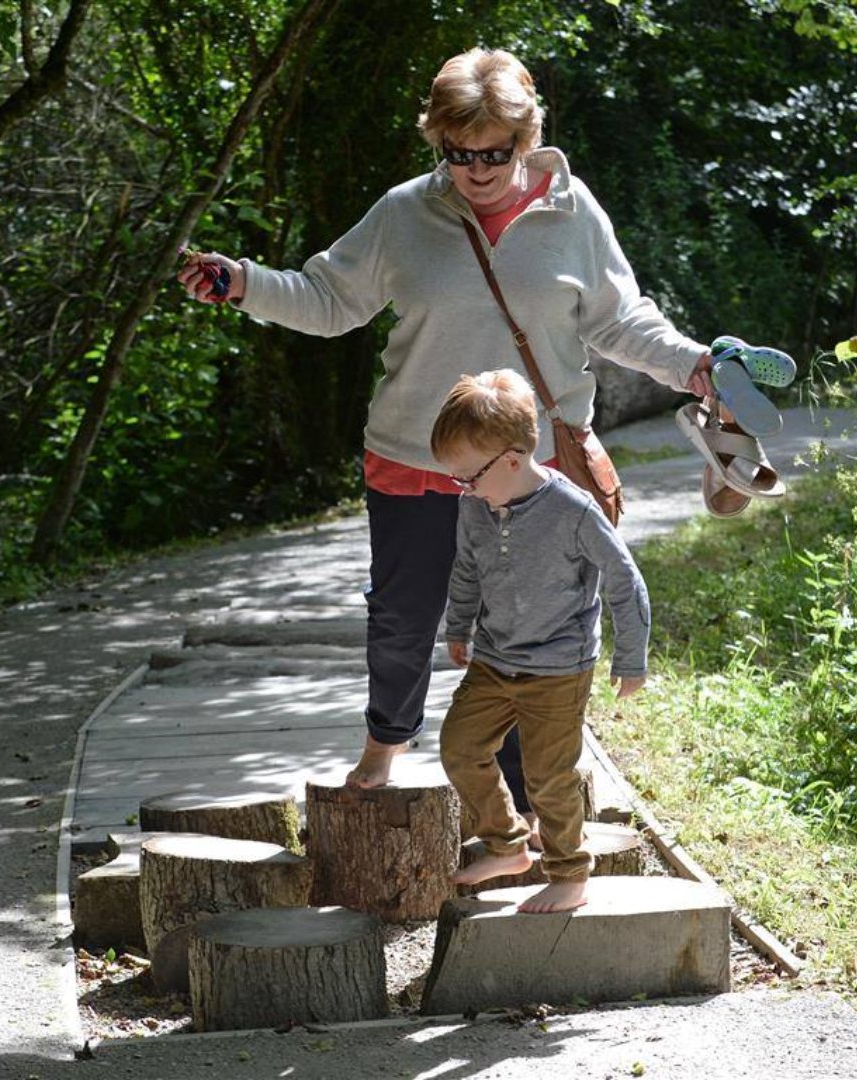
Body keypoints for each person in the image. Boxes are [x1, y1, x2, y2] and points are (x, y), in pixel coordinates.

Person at [178, 46, 711, 804]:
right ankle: (381, 754)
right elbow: (327, 300)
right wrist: (243, 283)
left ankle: (535, 799)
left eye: (492, 153)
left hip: (532, 473)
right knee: (403, 620)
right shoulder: (405, 213)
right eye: (457, 153)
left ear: (525, 138)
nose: (476, 170)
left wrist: (695, 364)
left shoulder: (571, 211)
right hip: (413, 456)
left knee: (532, 628)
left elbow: (621, 320)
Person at [430, 369, 648, 913]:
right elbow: (466, 571)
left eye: (468, 476)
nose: (464, 487)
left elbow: (625, 580)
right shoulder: (474, 506)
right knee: (460, 748)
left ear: (509, 459)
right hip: (496, 659)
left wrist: (632, 657)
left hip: (558, 666)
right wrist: (458, 627)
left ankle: (570, 874)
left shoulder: (572, 511)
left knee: (549, 778)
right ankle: (507, 845)